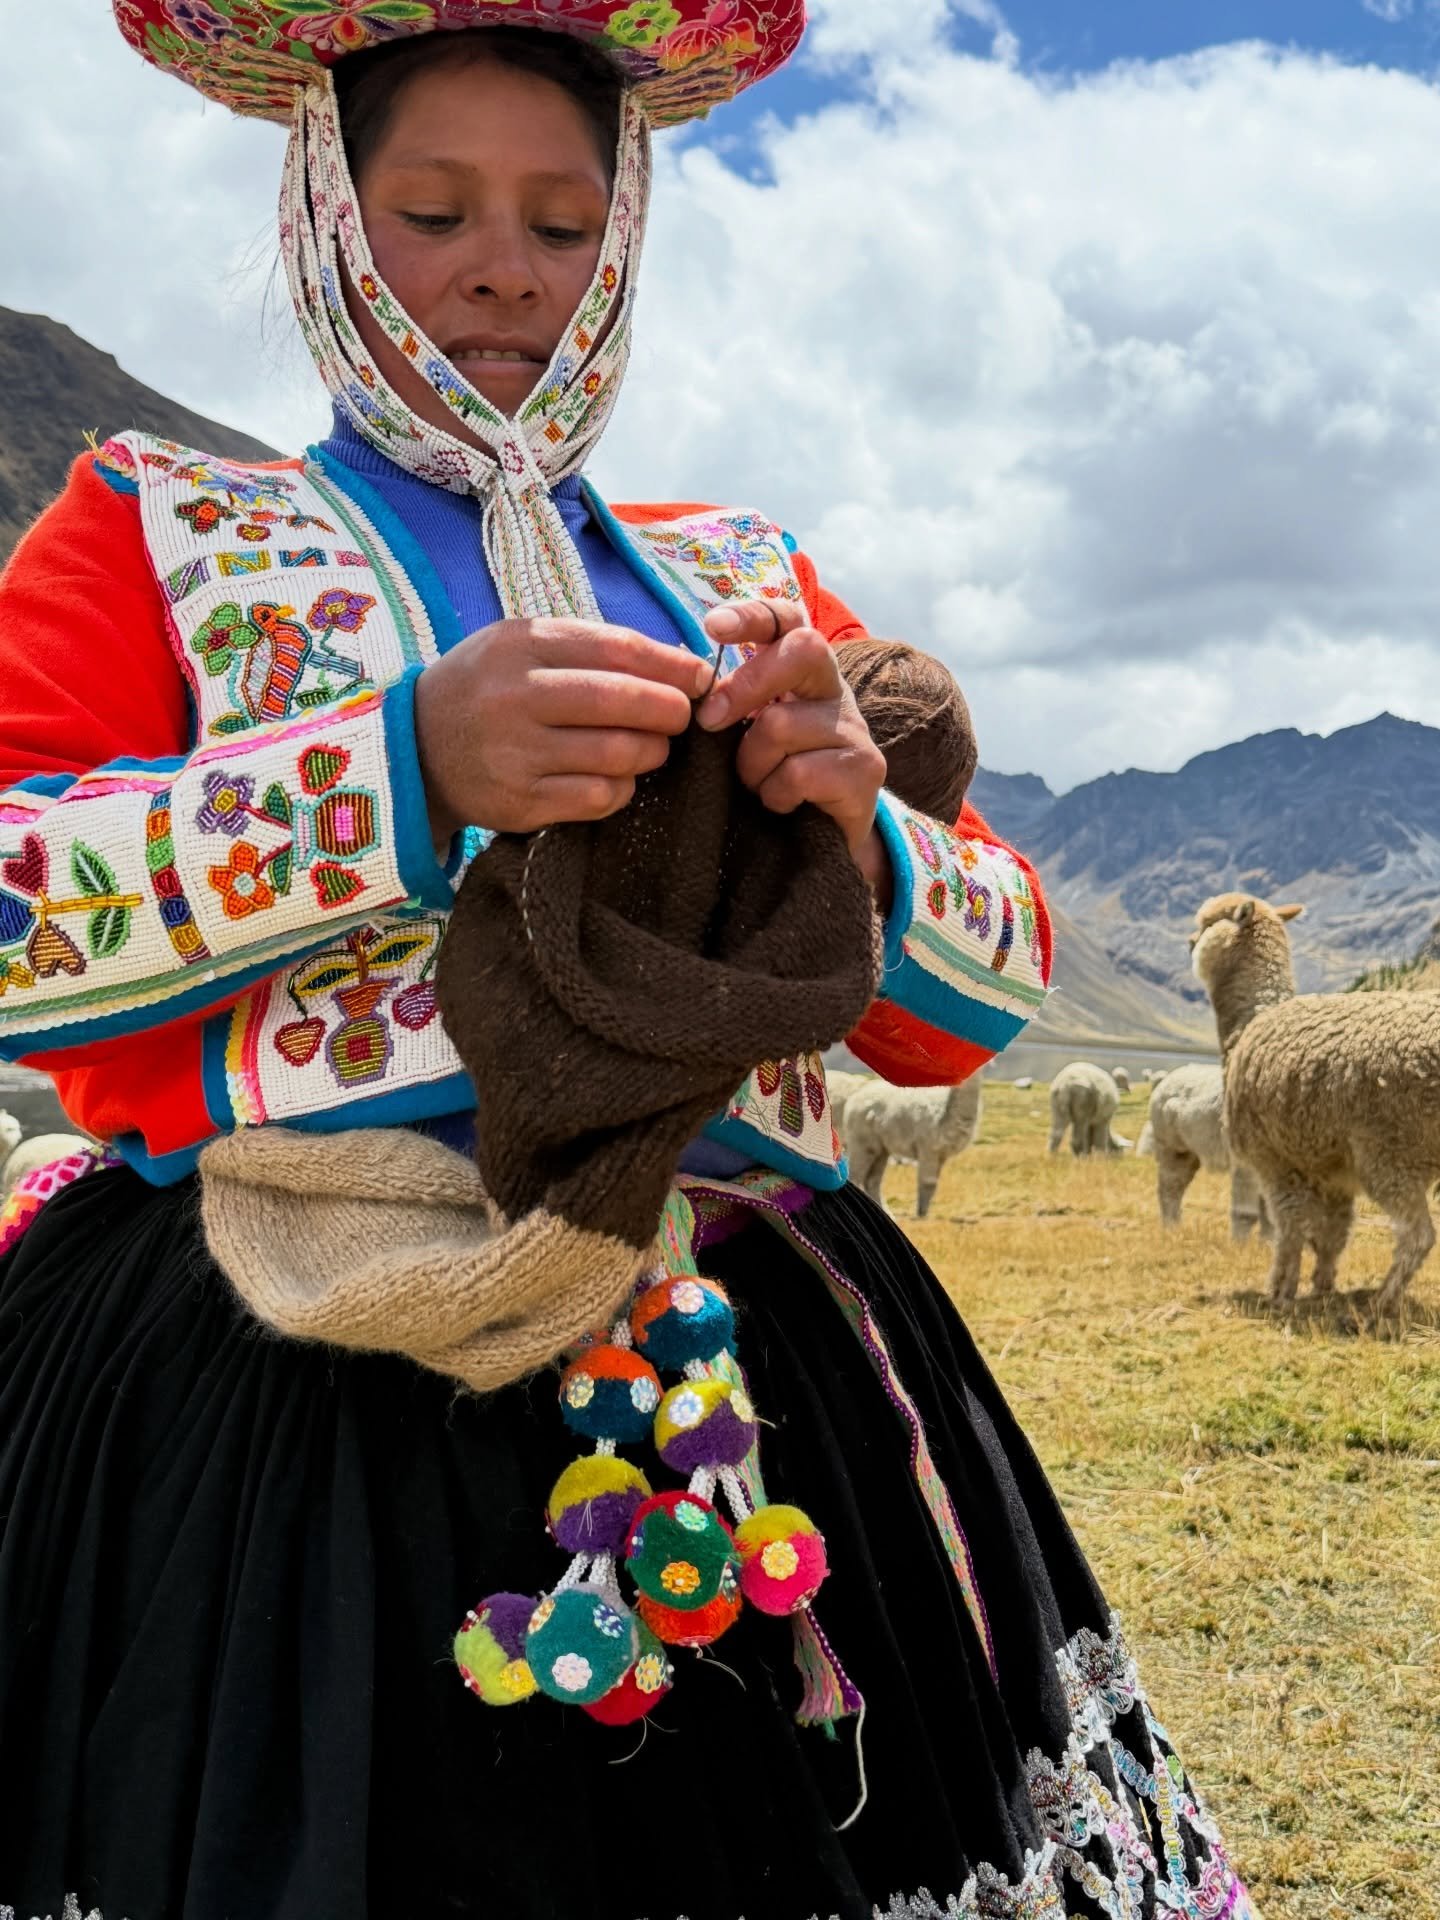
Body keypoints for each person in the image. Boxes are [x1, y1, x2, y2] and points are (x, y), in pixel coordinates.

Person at [0, 8, 1256, 1919]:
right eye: (432, 209)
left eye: (565, 226)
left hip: (742, 1369)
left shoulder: (734, 578)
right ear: (325, 225)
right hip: (283, 1400)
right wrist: (399, 769)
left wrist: (855, 830)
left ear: (628, 238)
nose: (504, 265)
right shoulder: (161, 536)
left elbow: (969, 1001)